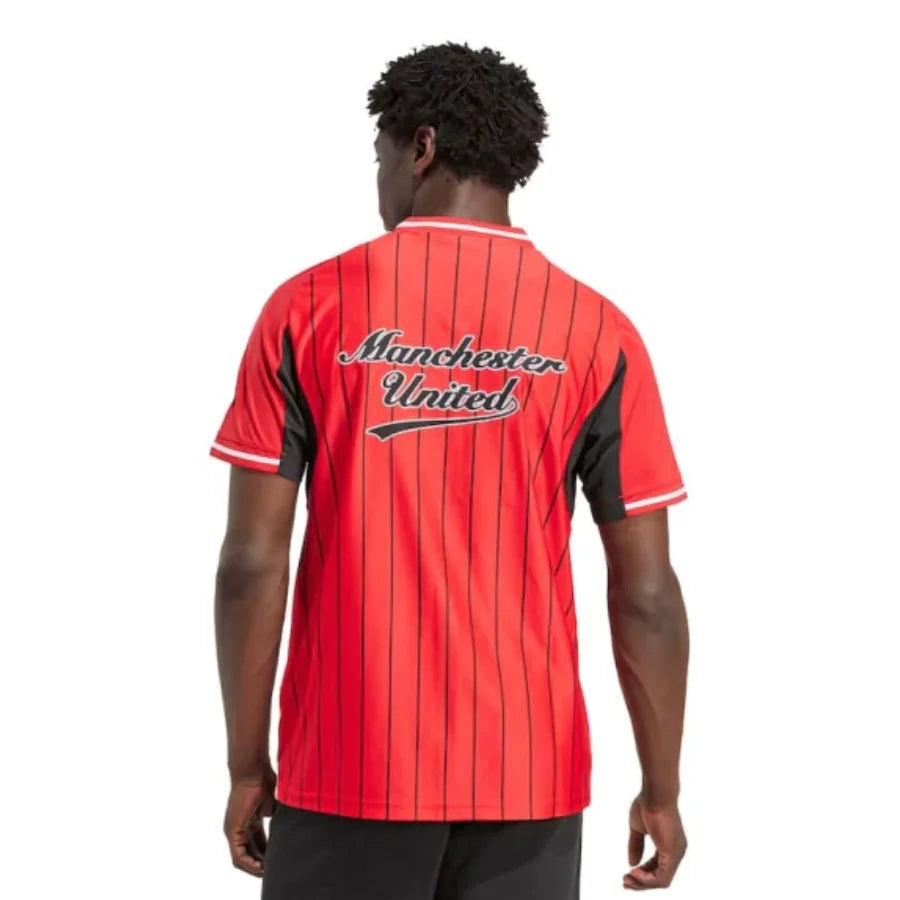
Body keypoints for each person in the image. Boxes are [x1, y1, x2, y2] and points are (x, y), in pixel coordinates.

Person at [211, 42, 689, 899]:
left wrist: (247, 764)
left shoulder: (305, 310)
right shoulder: (599, 333)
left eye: (381, 155)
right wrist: (662, 788)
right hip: (529, 779)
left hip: (349, 767)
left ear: (421, 147)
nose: (379, 177)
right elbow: (647, 593)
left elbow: (251, 563)